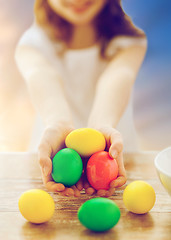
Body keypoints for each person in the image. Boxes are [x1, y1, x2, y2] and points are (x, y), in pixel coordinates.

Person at [15, 0, 147, 197]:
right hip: (53, 155)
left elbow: (117, 78)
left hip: (113, 155)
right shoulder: (32, 44)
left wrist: (101, 129)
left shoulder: (130, 41)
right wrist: (58, 123)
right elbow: (42, 77)